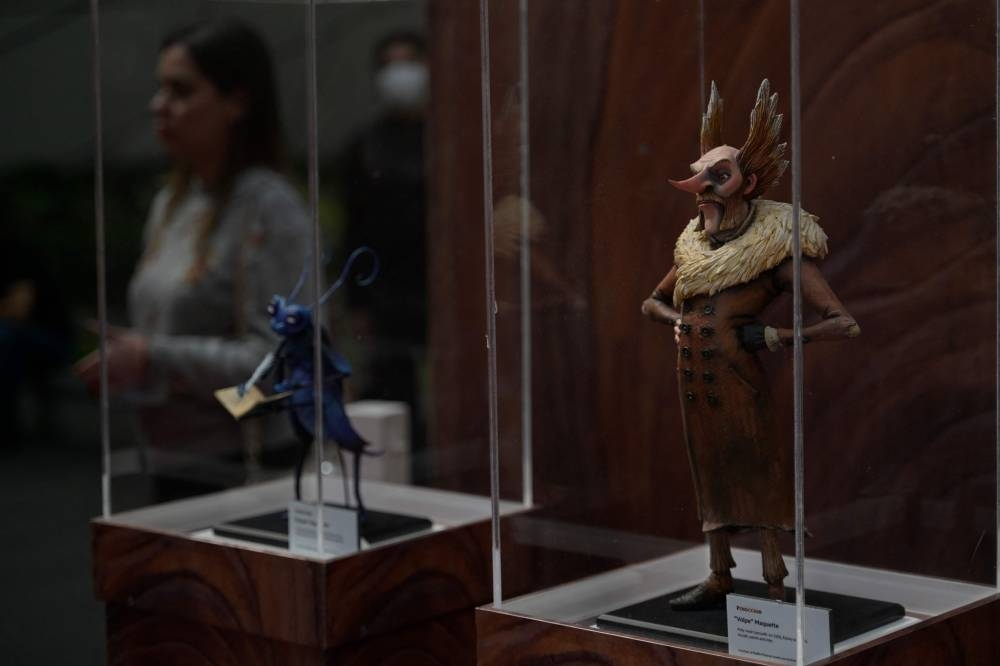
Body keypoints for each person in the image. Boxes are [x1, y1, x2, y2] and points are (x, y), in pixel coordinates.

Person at [641, 80, 860, 609]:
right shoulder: (693, 249)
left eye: (719, 177)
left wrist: (776, 336)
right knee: (710, 475)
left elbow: (842, 322)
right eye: (701, 179)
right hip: (694, 384)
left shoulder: (774, 248)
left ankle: (775, 585)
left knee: (757, 472)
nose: (704, 190)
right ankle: (719, 574)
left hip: (739, 383)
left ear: (749, 182)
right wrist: (677, 319)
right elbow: (651, 301)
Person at [76, 19, 309, 497]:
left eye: (180, 90)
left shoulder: (268, 207)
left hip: (244, 468)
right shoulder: (174, 201)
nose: (158, 105)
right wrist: (136, 365)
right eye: (161, 88)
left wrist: (151, 356)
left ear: (236, 103)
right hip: (173, 460)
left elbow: (280, 366)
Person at [339, 31, 429, 470]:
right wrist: (357, 301)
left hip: (439, 292)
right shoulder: (365, 146)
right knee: (393, 397)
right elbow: (354, 228)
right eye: (391, 65)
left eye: (409, 62)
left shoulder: (448, 138)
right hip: (385, 295)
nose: (401, 75)